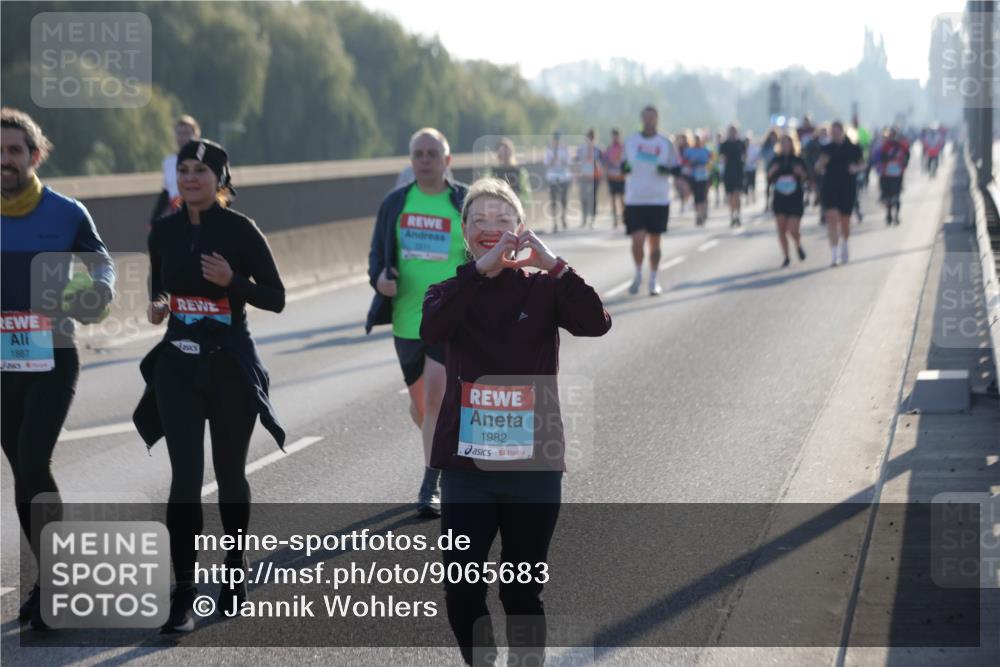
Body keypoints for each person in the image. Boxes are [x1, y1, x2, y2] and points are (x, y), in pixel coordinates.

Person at [421, 177, 611, 667]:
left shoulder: (545, 290)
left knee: (521, 593)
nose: (491, 228)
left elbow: (596, 321)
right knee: (463, 590)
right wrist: (478, 272)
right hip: (467, 470)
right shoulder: (448, 291)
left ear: (521, 229)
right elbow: (433, 330)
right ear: (464, 231)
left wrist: (554, 264)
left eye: (503, 220)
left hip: (534, 467)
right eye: (479, 220)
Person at [133, 139, 284, 633]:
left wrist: (232, 279)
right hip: (178, 364)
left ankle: (234, 574)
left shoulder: (240, 230)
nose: (191, 177)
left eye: (201, 170)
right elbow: (160, 284)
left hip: (228, 365)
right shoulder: (164, 230)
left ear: (220, 180)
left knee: (230, 474)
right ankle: (184, 592)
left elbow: (276, 298)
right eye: (184, 169)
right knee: (184, 480)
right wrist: (159, 304)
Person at [2, 108, 117, 631]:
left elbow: (101, 267)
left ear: (34, 156)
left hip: (53, 355)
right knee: (22, 471)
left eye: (13, 151)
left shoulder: (67, 212)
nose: (4, 161)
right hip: (2, 361)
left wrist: (90, 293)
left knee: (32, 459)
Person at [365, 128, 467, 519]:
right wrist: (380, 280)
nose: (425, 160)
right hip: (407, 320)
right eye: (418, 154)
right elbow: (376, 254)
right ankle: (440, 446)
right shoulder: (395, 202)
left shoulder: (463, 201)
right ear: (411, 160)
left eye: (432, 153)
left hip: (451, 317)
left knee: (437, 400)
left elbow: (482, 242)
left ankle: (431, 485)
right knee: (422, 407)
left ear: (447, 159)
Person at [622, 105, 681, 296]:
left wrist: (667, 170)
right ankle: (639, 273)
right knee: (637, 241)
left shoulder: (665, 143)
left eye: (652, 118)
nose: (649, 121)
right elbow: (623, 164)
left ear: (657, 119)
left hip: (658, 199)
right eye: (646, 117)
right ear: (642, 119)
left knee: (655, 244)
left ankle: (654, 279)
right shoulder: (631, 141)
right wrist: (626, 168)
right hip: (635, 199)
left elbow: (677, 168)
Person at [815, 120, 865, 266]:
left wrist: (856, 169)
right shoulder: (826, 148)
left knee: (845, 221)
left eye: (837, 132)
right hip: (830, 187)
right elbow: (817, 169)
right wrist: (821, 163)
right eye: (833, 132)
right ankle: (834, 254)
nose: (835, 135)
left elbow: (863, 164)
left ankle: (845, 244)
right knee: (832, 219)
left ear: (843, 132)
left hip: (847, 187)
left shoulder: (853, 147)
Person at [766, 133, 808, 267]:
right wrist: (772, 171)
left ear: (791, 144)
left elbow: (806, 177)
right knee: (781, 229)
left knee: (793, 229)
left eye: (787, 142)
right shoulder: (775, 160)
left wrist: (800, 172)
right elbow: (768, 177)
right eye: (782, 143)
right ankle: (786, 256)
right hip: (780, 197)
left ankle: (798, 244)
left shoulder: (798, 159)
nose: (785, 145)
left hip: (795, 198)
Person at [150, 115, 200, 225]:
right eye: (179, 133)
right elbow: (167, 191)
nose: (182, 137)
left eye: (186, 133)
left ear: (196, 135)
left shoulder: (204, 162)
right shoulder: (168, 163)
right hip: (178, 215)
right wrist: (153, 219)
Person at [487, 137, 532, 215]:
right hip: (497, 211)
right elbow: (486, 191)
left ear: (511, 153)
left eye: (507, 151)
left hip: (515, 210)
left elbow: (526, 195)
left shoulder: (520, 172)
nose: (505, 155)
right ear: (498, 154)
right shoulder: (491, 172)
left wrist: (517, 201)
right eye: (502, 152)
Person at [874, 127, 910, 226]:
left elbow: (907, 155)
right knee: (887, 196)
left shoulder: (902, 146)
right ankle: (889, 214)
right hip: (886, 174)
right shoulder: (884, 146)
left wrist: (903, 165)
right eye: (890, 135)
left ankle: (896, 216)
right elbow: (877, 158)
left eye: (893, 135)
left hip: (897, 174)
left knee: (896, 196)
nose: (891, 137)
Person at [718, 125, 746, 226]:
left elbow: (744, 156)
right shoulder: (724, 144)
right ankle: (732, 216)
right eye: (730, 131)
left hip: (738, 172)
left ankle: (738, 215)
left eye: (734, 131)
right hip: (728, 172)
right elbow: (721, 158)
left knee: (737, 195)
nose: (732, 133)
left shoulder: (741, 143)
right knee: (730, 196)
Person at [543, 131, 571, 233]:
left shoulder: (565, 148)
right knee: (553, 200)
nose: (557, 141)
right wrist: (552, 159)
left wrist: (562, 160)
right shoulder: (549, 149)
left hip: (563, 177)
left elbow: (568, 161)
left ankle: (563, 217)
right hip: (552, 177)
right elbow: (546, 162)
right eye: (555, 139)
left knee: (563, 199)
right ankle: (555, 222)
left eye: (558, 139)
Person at [574, 129, 602, 228]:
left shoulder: (597, 149)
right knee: (583, 198)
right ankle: (584, 218)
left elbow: (602, 163)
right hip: (584, 176)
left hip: (594, 177)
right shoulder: (581, 149)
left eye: (592, 138)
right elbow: (576, 161)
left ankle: (592, 219)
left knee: (593, 198)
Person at [683, 134, 712, 226]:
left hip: (704, 176)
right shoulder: (688, 151)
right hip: (693, 176)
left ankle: (702, 213)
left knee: (703, 195)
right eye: (695, 140)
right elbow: (684, 162)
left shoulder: (705, 151)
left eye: (698, 140)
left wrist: (706, 167)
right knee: (696, 196)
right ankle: (698, 215)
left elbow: (711, 162)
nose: (697, 142)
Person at [604, 128, 626, 228]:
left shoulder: (623, 147)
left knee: (621, 198)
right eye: (613, 136)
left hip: (621, 177)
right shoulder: (609, 148)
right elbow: (606, 161)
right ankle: (615, 219)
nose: (615, 138)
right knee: (613, 199)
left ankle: (624, 217)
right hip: (612, 176)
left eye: (616, 136)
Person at [743, 130, 760, 205]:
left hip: (752, 168)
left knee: (752, 183)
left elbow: (757, 156)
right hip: (745, 169)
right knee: (746, 183)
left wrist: (753, 161)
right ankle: (747, 198)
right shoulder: (743, 148)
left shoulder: (753, 148)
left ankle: (753, 195)